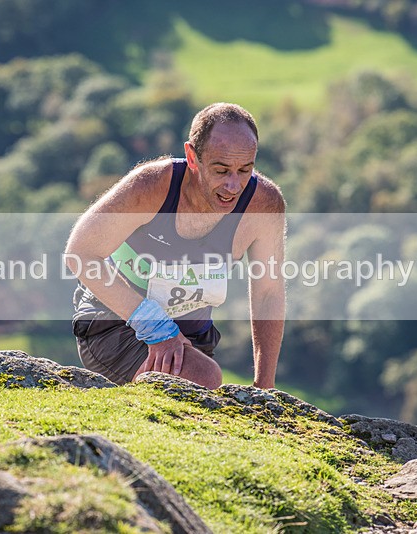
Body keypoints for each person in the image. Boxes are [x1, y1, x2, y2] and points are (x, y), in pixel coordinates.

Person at [65, 102, 286, 389]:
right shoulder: (151, 186)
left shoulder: (264, 205)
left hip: (191, 338)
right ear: (192, 158)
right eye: (221, 171)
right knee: (205, 378)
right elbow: (80, 252)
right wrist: (156, 328)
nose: (234, 186)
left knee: (201, 387)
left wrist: (264, 388)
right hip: (113, 326)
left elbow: (268, 293)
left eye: (245, 170)